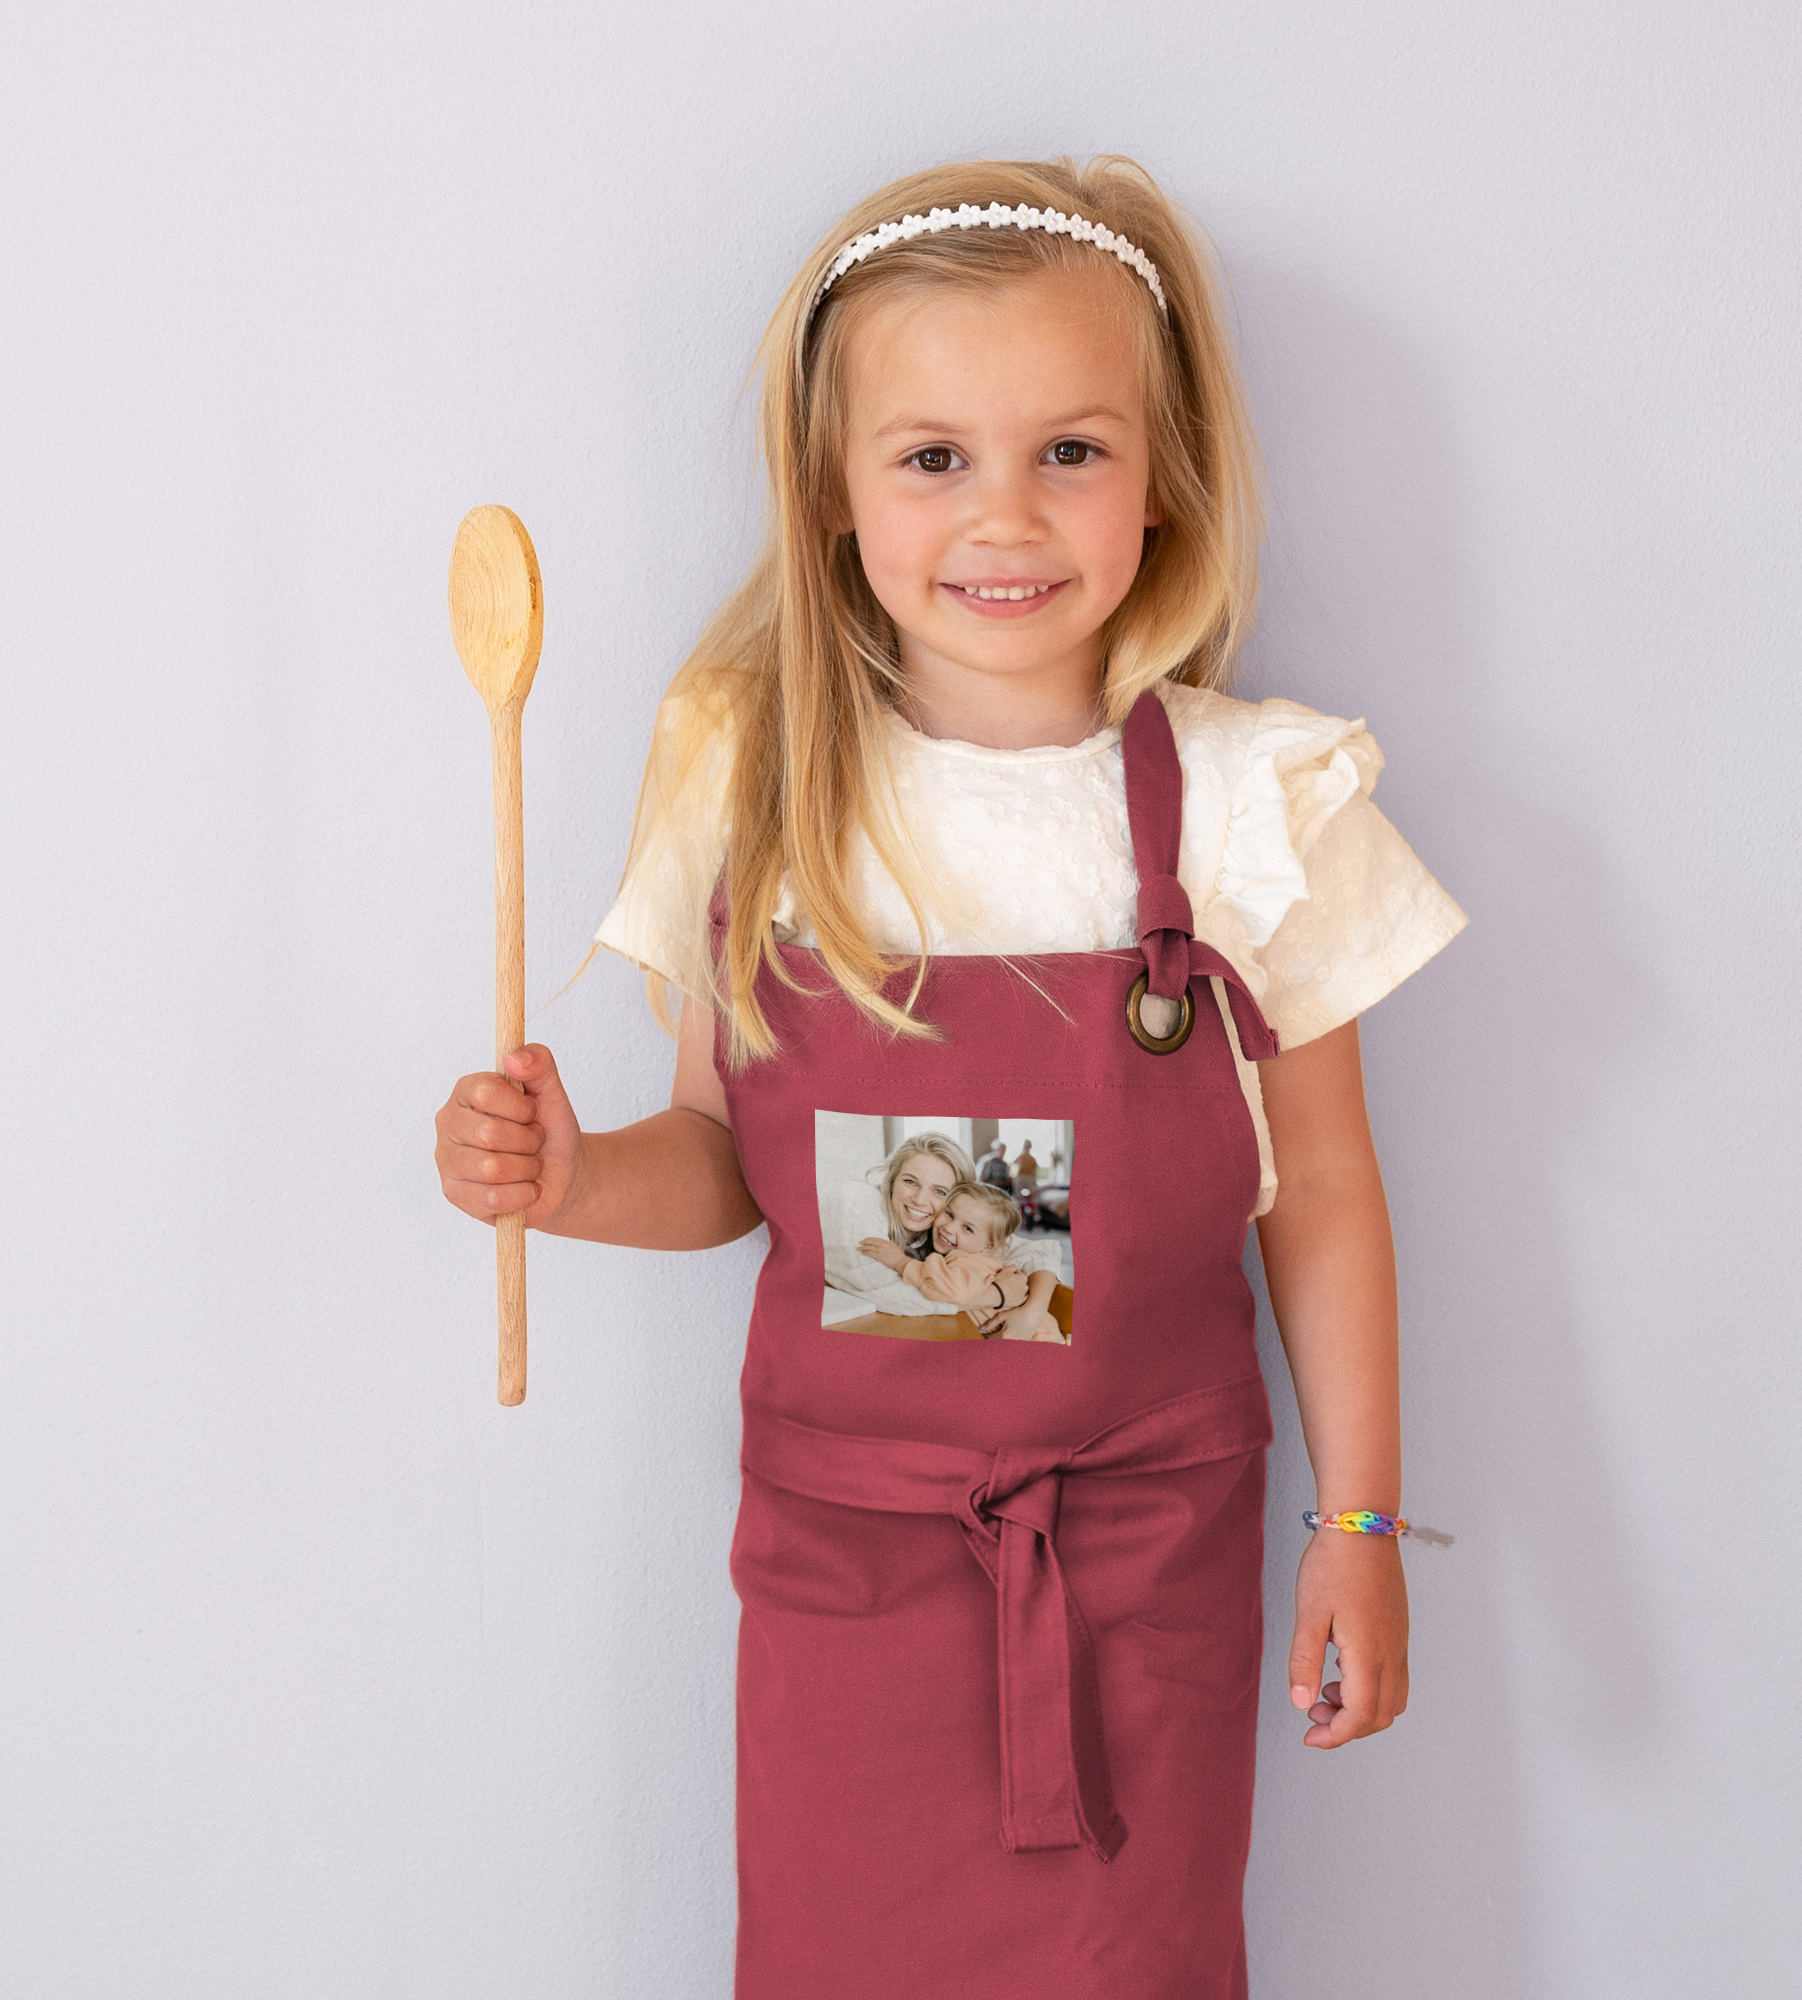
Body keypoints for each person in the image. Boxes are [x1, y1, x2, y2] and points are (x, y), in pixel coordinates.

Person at [433, 154, 1464, 1996]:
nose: (1007, 513)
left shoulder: (1258, 806)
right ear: (835, 492)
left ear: (1164, 483)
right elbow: (714, 1158)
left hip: (1139, 1576)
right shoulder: (755, 780)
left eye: (1070, 449)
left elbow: (1320, 1194)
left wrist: (1361, 1524)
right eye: (933, 458)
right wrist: (572, 1181)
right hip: (848, 1584)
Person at [859, 1181, 1064, 1341]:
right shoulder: (968, 1253)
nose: (949, 1228)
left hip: (1036, 1342)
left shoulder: (970, 1262)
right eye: (949, 1214)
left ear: (989, 1247)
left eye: (967, 1228)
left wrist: (899, 1261)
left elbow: (946, 1289)